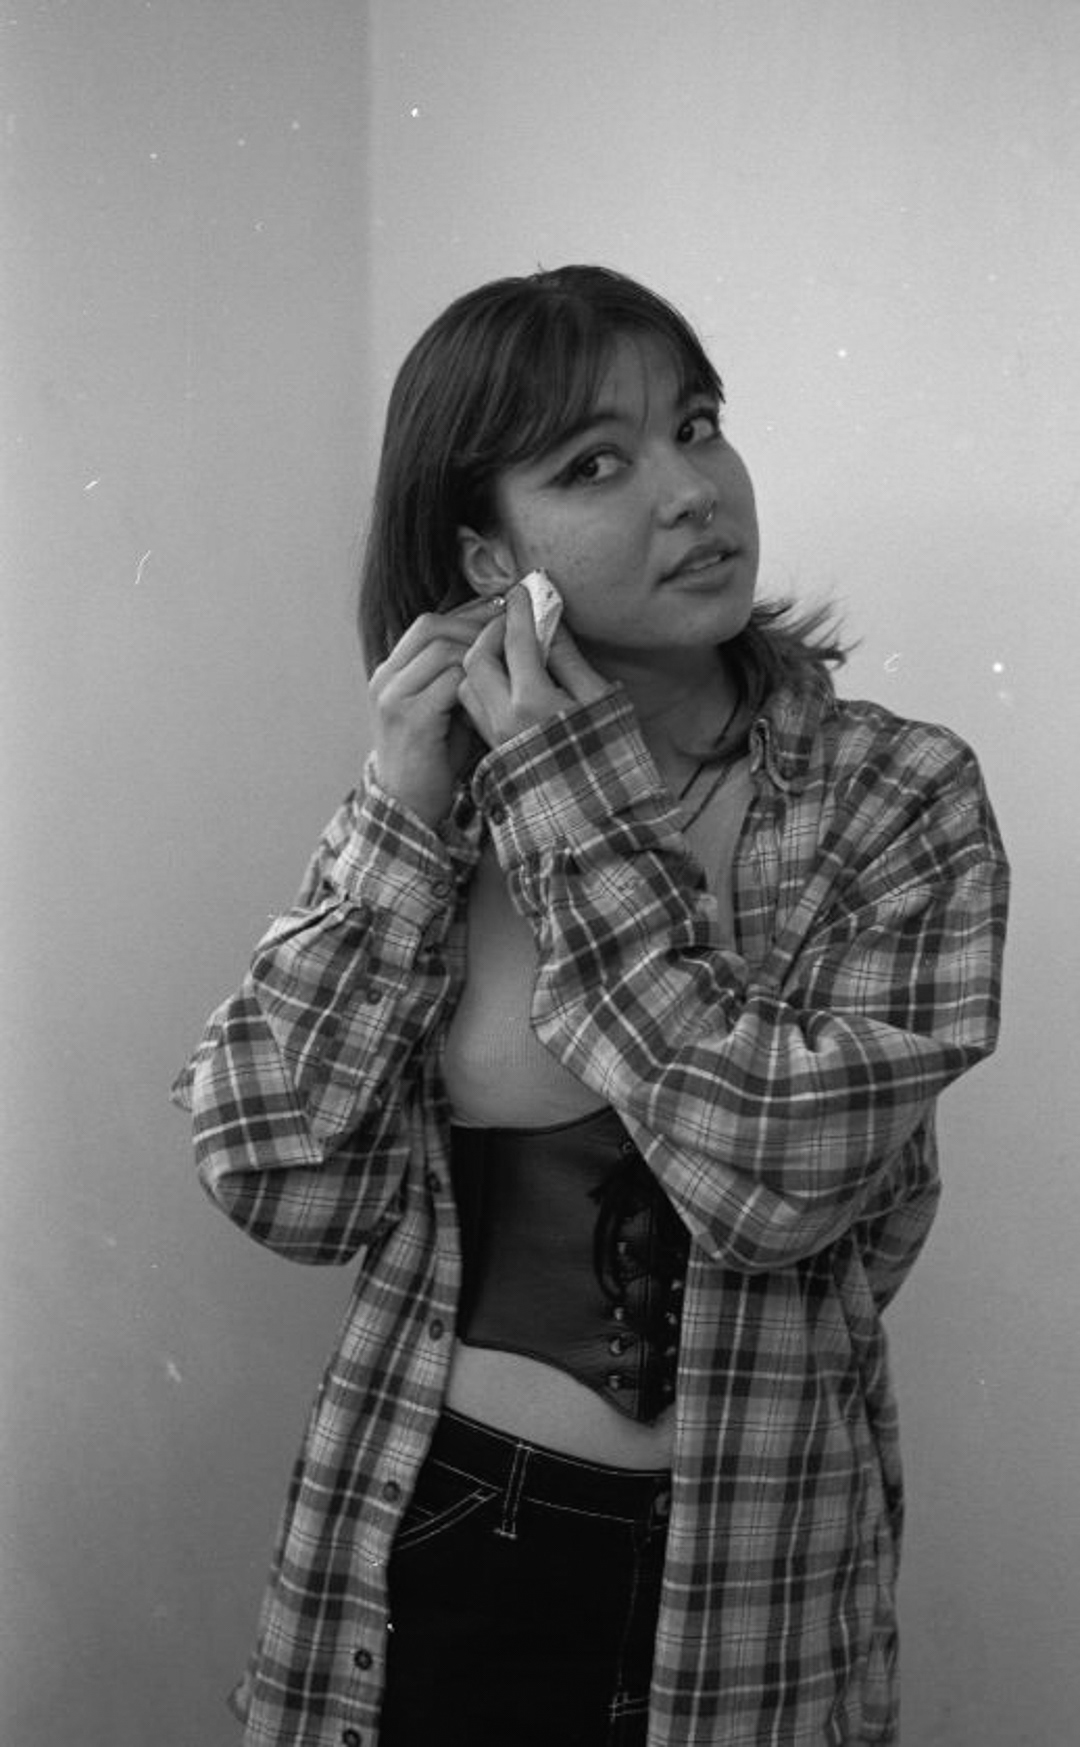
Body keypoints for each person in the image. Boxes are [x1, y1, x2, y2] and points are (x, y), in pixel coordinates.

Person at [173, 264, 1009, 1747]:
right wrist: (399, 816)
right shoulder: (439, 814)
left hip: (758, 1559)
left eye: (696, 425)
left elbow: (777, 1182)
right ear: (488, 557)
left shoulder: (898, 792)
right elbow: (278, 1182)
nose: (691, 491)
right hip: (443, 1522)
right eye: (594, 464)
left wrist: (568, 800)